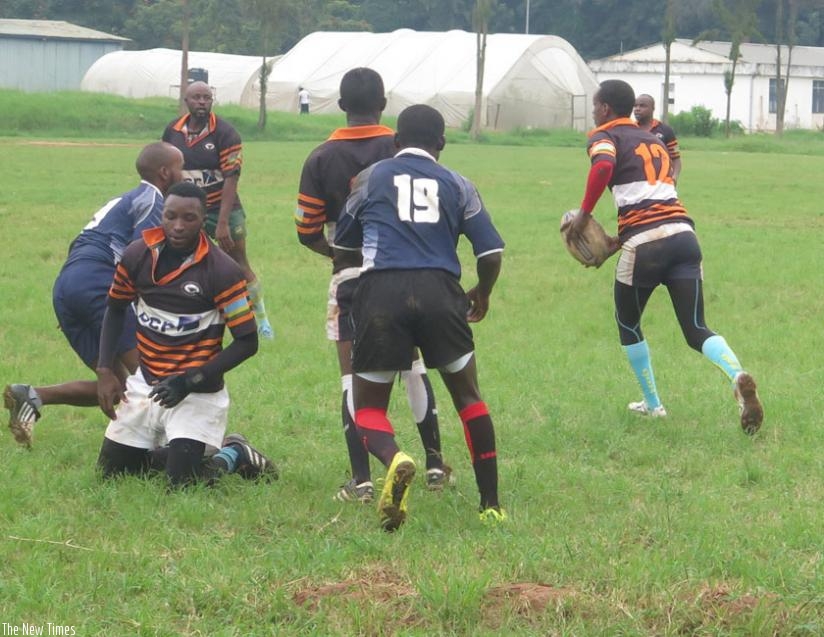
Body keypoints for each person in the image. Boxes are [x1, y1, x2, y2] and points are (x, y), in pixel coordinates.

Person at [334, 104, 506, 530]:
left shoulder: (368, 178)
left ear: (396, 141)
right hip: (440, 292)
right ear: (442, 143)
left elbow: (344, 246)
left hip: (381, 293)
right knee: (469, 398)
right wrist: (482, 292)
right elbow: (490, 252)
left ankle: (395, 458)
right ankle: (490, 505)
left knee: (367, 407)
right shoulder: (459, 184)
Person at [566, 79, 763, 434]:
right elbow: (654, 193)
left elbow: (603, 167)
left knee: (629, 324)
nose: (593, 113)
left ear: (605, 108)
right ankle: (737, 376)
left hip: (645, 243)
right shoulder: (654, 140)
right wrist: (618, 239)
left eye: (595, 106)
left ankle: (653, 405)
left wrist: (583, 215)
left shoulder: (604, 136)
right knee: (696, 328)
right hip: (684, 236)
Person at [296, 68, 450, 503]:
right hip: (404, 271)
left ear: (341, 106)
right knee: (413, 365)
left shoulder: (320, 157)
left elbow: (306, 230)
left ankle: (362, 481)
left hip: (350, 277)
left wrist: (339, 254)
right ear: (383, 105)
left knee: (352, 375)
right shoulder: (401, 147)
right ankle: (435, 466)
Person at [95, 182, 276, 487]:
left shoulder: (223, 271)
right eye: (170, 216)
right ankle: (177, 453)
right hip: (146, 383)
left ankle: (233, 454)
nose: (178, 226)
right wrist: (104, 370)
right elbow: (114, 309)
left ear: (203, 219)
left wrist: (189, 381)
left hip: (197, 391)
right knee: (112, 475)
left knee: (182, 486)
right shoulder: (137, 254)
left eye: (189, 218)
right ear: (161, 216)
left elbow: (247, 342)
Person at [4, 142, 185, 448]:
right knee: (151, 375)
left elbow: (80, 242)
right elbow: (137, 255)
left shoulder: (122, 199)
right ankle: (180, 444)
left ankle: (32, 396)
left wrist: (76, 298)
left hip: (67, 287)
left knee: (119, 387)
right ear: (165, 173)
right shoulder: (154, 201)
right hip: (98, 286)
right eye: (182, 167)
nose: (186, 174)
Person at [162, 81, 274, 340]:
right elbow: (165, 171)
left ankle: (262, 320)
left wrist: (222, 223)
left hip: (221, 208)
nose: (202, 102)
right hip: (187, 211)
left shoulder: (226, 133)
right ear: (186, 101)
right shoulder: (172, 131)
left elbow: (231, 178)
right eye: (196, 97)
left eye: (207, 97)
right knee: (183, 263)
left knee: (238, 263)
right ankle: (190, 316)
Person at [633, 93, 682, 183]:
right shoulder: (630, 130)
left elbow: (676, 159)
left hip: (661, 183)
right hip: (637, 183)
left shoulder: (666, 130)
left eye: (642, 106)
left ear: (653, 108)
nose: (637, 109)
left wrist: (674, 177)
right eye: (635, 106)